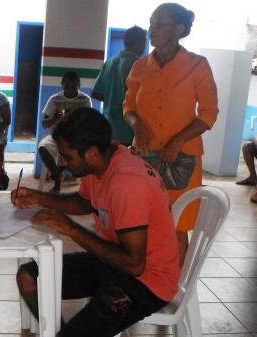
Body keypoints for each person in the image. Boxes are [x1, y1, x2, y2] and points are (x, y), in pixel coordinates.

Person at [12, 107, 180, 337]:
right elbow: (84, 202)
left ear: (90, 153)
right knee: (28, 277)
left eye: (67, 156)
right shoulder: (102, 161)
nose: (62, 162)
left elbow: (134, 264)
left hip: (147, 282)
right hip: (113, 262)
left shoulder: (127, 183)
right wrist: (40, 198)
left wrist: (71, 229)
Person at [123, 3, 218, 265]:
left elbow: (209, 113)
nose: (152, 28)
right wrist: (136, 124)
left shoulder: (197, 65)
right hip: (145, 154)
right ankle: (147, 281)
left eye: (160, 23)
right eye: (151, 22)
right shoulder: (140, 67)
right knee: (141, 220)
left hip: (182, 159)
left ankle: (175, 290)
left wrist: (178, 140)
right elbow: (128, 107)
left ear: (179, 29)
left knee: (177, 224)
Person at [92, 26, 147, 146]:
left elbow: (95, 93)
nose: (144, 47)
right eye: (144, 42)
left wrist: (112, 99)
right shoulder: (139, 65)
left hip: (108, 129)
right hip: (129, 131)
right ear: (139, 43)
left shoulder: (110, 62)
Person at [38, 71, 92, 192]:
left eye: (74, 86)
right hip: (56, 136)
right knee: (43, 148)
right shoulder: (55, 99)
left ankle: (62, 171)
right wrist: (54, 118)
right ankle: (57, 174)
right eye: (67, 86)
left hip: (76, 136)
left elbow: (88, 121)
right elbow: (44, 124)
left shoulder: (85, 100)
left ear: (79, 85)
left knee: (84, 153)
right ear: (62, 84)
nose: (70, 89)